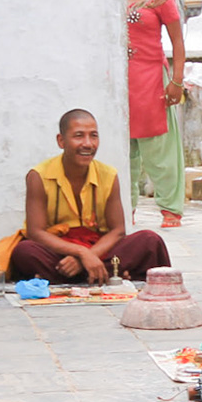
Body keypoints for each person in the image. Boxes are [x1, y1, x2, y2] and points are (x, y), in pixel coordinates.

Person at [9, 109, 172, 283]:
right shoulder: (39, 176)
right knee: (24, 251)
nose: (88, 144)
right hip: (60, 252)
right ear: (61, 141)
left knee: (150, 241)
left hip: (99, 251)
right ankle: (110, 274)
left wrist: (88, 256)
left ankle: (70, 277)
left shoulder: (108, 175)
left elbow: (118, 231)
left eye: (93, 136)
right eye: (79, 136)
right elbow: (35, 232)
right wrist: (80, 253)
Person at [125, 0, 187, 228]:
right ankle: (125, 207)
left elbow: (177, 41)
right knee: (124, 148)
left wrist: (176, 80)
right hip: (119, 83)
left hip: (151, 79)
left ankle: (170, 208)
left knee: (160, 147)